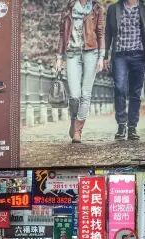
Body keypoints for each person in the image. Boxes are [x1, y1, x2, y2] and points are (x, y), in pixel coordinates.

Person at [103, 0, 145, 141]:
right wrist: (105, 55)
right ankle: (121, 125)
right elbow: (108, 33)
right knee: (119, 88)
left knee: (135, 92)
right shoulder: (113, 8)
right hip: (119, 55)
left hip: (139, 55)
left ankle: (132, 127)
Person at [55, 0, 106, 143]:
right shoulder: (68, 8)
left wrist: (101, 57)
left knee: (85, 94)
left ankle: (78, 130)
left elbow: (100, 33)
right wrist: (59, 57)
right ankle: (74, 118)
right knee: (75, 95)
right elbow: (62, 34)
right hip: (72, 54)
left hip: (91, 53)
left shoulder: (96, 8)